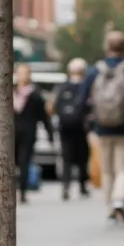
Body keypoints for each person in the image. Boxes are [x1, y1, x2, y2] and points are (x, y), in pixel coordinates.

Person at [77, 31, 124, 226]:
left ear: (106, 47)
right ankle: (119, 199)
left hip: (102, 129)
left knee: (107, 171)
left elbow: (82, 101)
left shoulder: (94, 71)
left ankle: (111, 208)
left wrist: (91, 123)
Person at [13, 63, 53, 205]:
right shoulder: (11, 91)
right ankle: (11, 190)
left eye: (24, 73)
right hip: (11, 134)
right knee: (12, 162)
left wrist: (50, 134)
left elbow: (43, 116)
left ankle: (22, 191)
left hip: (28, 133)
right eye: (19, 73)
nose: (22, 76)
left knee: (24, 162)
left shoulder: (35, 94)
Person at [52, 58, 91, 201]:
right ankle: (82, 185)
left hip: (65, 128)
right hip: (81, 128)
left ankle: (66, 186)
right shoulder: (85, 87)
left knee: (66, 158)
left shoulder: (62, 87)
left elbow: (55, 106)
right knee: (82, 158)